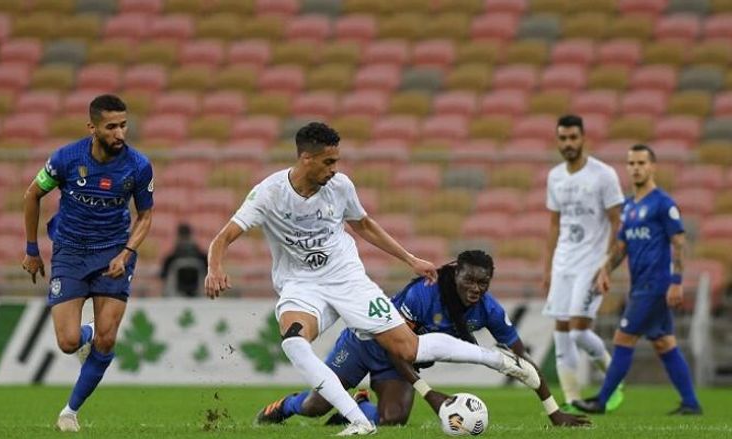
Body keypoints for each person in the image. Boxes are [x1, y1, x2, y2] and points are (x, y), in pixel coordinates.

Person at [204, 122, 540, 436]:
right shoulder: (268, 193)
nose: (334, 168)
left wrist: (409, 259)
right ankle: (360, 421)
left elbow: (364, 225)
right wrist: (215, 268)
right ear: (306, 158)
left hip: (349, 280)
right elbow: (223, 237)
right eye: (328, 161)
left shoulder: (340, 187)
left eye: (337, 160)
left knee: (409, 348)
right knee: (294, 342)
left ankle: (497, 359)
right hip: (302, 286)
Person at [255, 250, 591, 428]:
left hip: (402, 361)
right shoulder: (423, 294)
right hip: (366, 344)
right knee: (316, 407)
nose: (476, 288)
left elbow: (521, 359)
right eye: (469, 280)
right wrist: (429, 394)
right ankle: (285, 405)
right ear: (454, 272)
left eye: (483, 283)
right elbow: (397, 346)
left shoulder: (488, 309)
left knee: (394, 420)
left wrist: (553, 410)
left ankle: (359, 406)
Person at [22, 94, 154, 432]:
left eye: (124, 125)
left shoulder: (138, 166)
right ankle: (89, 334)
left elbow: (145, 216)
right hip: (69, 252)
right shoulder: (66, 159)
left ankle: (69, 412)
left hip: (113, 253)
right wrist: (32, 249)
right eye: (111, 127)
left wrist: (125, 254)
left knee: (107, 342)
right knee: (68, 343)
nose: (120, 134)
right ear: (92, 128)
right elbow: (32, 194)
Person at [573, 144, 702, 415]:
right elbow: (621, 247)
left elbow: (679, 243)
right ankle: (691, 403)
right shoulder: (629, 207)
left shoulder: (663, 203)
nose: (636, 168)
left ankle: (602, 401)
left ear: (652, 167)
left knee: (623, 338)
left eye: (642, 163)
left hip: (655, 286)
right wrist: (605, 269)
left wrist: (677, 281)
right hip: (640, 285)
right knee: (664, 342)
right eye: (631, 163)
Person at [542, 114, 625, 411]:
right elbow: (554, 225)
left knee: (578, 330)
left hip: (591, 265)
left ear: (583, 138)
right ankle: (573, 399)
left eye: (573, 137)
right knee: (561, 333)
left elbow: (618, 223)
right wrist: (548, 268)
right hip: (563, 263)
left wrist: (608, 264)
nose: (568, 143)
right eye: (563, 138)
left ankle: (614, 380)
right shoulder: (555, 177)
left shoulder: (603, 175)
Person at [160, 223, 207, 297]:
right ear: (191, 236)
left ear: (178, 236)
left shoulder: (172, 256)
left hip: (175, 294)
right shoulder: (200, 255)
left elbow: (163, 275)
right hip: (198, 293)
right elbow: (209, 271)